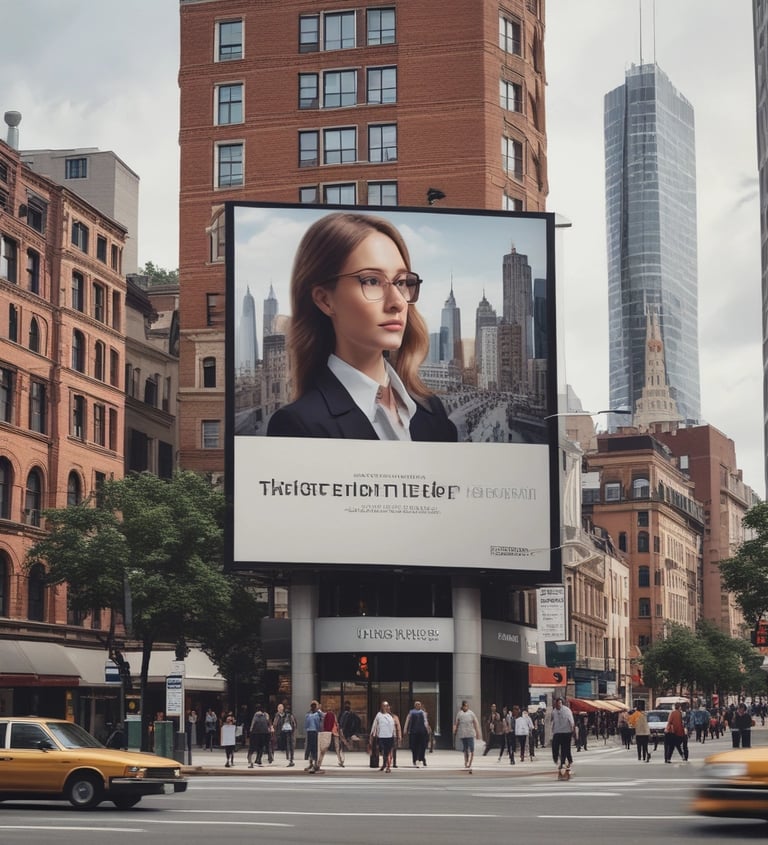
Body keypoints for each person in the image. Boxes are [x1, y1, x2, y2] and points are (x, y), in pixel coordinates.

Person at [266, 212, 458, 443]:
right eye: (372, 281)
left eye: (400, 282)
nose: (397, 302)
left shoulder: (431, 410)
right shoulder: (298, 425)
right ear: (325, 300)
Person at [453, 700, 481, 774]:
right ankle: (466, 761)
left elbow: (475, 723)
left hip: (470, 733)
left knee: (471, 749)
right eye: (464, 705)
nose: (466, 707)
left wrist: (477, 732)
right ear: (462, 706)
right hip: (463, 733)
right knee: (465, 749)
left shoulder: (471, 713)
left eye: (467, 705)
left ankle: (470, 763)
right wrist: (455, 730)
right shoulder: (459, 714)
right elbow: (456, 723)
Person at [370, 701, 397, 773]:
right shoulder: (379, 715)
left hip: (390, 736)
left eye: (387, 706)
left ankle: (388, 766)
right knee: (384, 752)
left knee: (389, 752)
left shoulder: (390, 716)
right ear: (382, 707)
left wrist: (395, 735)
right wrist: (372, 735)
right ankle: (385, 764)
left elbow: (393, 727)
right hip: (382, 736)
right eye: (384, 706)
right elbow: (374, 725)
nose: (386, 707)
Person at [550, 697, 575, 774]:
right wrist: (551, 732)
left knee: (565, 748)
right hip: (557, 732)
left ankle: (563, 763)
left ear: (562, 703)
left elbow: (571, 721)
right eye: (557, 703)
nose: (558, 705)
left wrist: (572, 731)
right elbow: (552, 721)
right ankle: (556, 758)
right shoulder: (553, 712)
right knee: (555, 746)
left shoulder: (567, 710)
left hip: (566, 732)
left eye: (560, 703)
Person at [316, 704, 345, 770]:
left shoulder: (327, 715)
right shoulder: (332, 715)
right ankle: (341, 761)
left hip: (329, 732)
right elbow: (336, 724)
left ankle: (319, 763)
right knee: (337, 748)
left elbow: (325, 724)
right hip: (334, 732)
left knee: (324, 748)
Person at [403, 700, 430, 768]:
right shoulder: (411, 712)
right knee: (414, 746)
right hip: (413, 732)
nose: (418, 705)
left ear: (421, 705)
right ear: (414, 705)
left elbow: (425, 722)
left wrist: (428, 730)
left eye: (419, 704)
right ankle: (414, 760)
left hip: (422, 731)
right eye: (416, 704)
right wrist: (405, 729)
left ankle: (422, 758)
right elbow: (407, 720)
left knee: (423, 746)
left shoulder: (423, 713)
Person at [247, 703, 272, 767]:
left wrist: (250, 731)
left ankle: (250, 757)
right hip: (264, 733)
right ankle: (259, 759)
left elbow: (253, 723)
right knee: (261, 747)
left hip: (255, 733)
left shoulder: (255, 715)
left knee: (253, 746)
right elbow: (268, 723)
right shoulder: (265, 715)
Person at [274, 702, 297, 766]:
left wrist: (293, 731)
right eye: (278, 708)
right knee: (287, 744)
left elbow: (294, 724)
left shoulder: (288, 715)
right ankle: (289, 757)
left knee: (290, 744)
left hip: (288, 732)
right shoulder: (278, 715)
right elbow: (275, 723)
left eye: (280, 708)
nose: (279, 709)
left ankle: (290, 757)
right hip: (284, 732)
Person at [304, 700, 323, 773]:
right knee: (311, 748)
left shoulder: (317, 714)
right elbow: (306, 724)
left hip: (314, 732)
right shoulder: (310, 714)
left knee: (313, 749)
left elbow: (324, 717)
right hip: (311, 732)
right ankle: (312, 764)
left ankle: (314, 764)